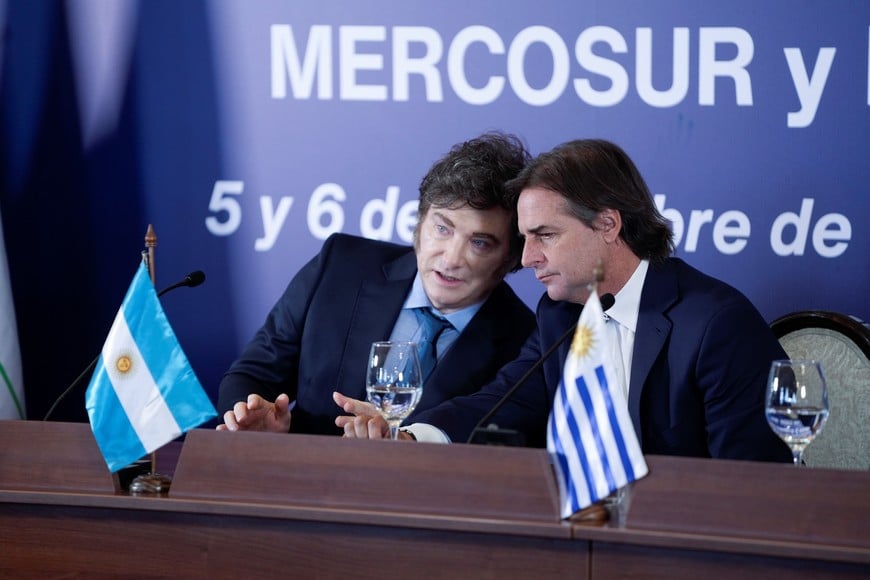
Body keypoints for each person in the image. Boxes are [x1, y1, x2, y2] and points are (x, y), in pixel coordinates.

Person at [335, 138, 792, 462]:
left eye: (545, 236)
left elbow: (751, 484)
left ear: (608, 225)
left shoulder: (716, 325)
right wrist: (410, 437)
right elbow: (500, 402)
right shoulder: (560, 314)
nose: (528, 258)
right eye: (525, 238)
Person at [217, 132, 536, 435]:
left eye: (479, 243)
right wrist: (251, 417)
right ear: (420, 223)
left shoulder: (524, 342)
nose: (452, 257)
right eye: (442, 228)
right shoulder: (340, 266)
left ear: (510, 257)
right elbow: (254, 373)